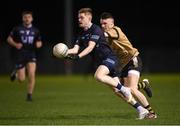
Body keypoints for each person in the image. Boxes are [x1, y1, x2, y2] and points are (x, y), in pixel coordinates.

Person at [65, 8, 150, 119]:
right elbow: (75, 49)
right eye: (78, 18)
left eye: (82, 17)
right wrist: (64, 52)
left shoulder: (96, 30)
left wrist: (78, 57)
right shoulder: (81, 34)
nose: (79, 19)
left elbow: (90, 47)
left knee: (98, 76)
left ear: (89, 18)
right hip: (103, 62)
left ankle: (125, 89)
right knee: (117, 91)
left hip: (110, 59)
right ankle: (141, 109)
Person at [100, 12, 157, 118]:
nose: (103, 26)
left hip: (133, 60)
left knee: (132, 89)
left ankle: (152, 113)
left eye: (105, 23)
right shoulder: (106, 38)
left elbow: (103, 35)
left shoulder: (116, 30)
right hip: (123, 65)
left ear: (112, 23)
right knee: (121, 91)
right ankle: (143, 85)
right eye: (101, 24)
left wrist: (93, 33)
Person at [7, 11, 42, 101]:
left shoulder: (35, 30)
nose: (27, 19)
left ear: (32, 19)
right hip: (20, 54)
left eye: (29, 17)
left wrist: (39, 44)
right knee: (21, 79)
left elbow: (39, 41)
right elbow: (9, 39)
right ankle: (15, 72)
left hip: (31, 54)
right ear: (22, 18)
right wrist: (15, 44)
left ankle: (29, 95)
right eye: (25, 17)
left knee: (31, 74)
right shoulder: (17, 29)